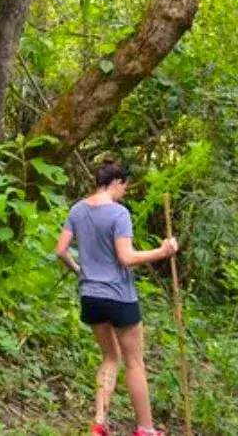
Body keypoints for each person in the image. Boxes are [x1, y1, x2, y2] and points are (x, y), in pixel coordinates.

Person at [54, 159, 178, 436]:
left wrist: (80, 271)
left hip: (90, 296)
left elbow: (61, 250)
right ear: (117, 183)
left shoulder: (77, 209)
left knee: (110, 357)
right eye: (125, 187)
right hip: (119, 296)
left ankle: (99, 422)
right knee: (134, 362)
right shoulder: (119, 214)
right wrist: (163, 252)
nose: (125, 192)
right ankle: (145, 428)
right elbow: (126, 257)